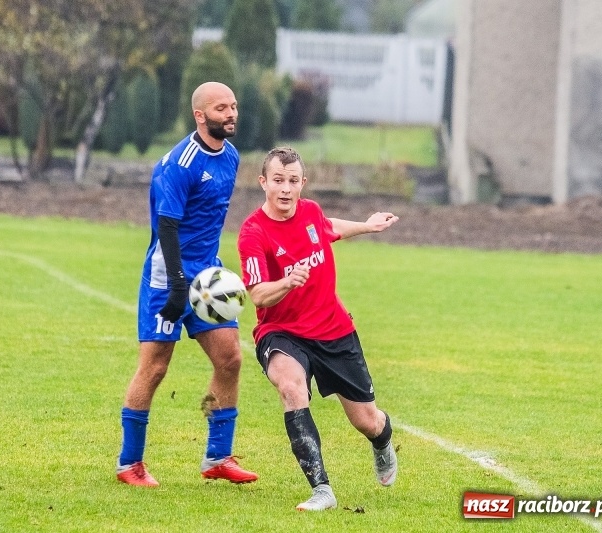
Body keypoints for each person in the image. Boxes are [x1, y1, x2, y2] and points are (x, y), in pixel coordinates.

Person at [237, 147, 399, 511]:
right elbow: (259, 295)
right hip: (282, 332)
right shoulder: (253, 233)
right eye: (277, 180)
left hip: (333, 330)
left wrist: (368, 225)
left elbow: (328, 228)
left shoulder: (310, 212)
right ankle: (322, 490)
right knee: (292, 389)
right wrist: (287, 283)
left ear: (302, 184)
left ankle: (382, 440)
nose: (285, 189)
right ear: (263, 182)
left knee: (367, 421)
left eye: (292, 181)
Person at [116, 82, 258, 488]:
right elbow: (167, 226)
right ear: (200, 116)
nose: (231, 114)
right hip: (168, 274)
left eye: (233, 106)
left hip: (207, 276)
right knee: (156, 367)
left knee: (230, 359)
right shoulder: (179, 164)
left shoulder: (230, 157)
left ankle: (217, 456)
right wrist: (178, 284)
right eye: (221, 108)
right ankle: (130, 464)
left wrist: (209, 272)